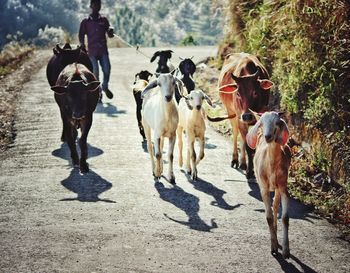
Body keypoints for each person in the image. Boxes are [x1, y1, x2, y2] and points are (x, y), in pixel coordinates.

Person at [79, 0, 114, 101]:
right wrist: (82, 45)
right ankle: (98, 94)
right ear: (91, 6)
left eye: (99, 5)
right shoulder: (85, 21)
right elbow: (81, 34)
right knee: (95, 74)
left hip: (103, 50)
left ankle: (105, 86)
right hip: (92, 51)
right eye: (95, 5)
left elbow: (110, 34)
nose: (97, 7)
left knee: (107, 70)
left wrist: (111, 31)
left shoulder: (103, 20)